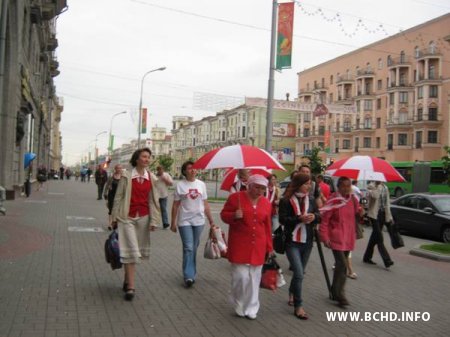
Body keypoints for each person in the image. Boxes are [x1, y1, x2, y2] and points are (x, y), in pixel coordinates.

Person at [220, 174, 274, 320]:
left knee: (254, 278)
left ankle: (252, 307)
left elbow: (268, 226)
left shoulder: (266, 203)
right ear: (249, 186)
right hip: (240, 243)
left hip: (259, 244)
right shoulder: (235, 198)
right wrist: (234, 216)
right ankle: (238, 301)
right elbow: (224, 215)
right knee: (241, 276)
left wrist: (270, 247)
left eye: (262, 188)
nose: (259, 191)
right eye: (256, 187)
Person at [111, 147, 161, 301]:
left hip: (143, 218)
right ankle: (131, 287)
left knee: (134, 252)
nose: (147, 159)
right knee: (132, 251)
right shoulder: (126, 176)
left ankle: (127, 280)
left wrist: (154, 220)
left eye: (148, 157)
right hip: (126, 217)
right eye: (144, 156)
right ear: (137, 159)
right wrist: (114, 217)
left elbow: (154, 200)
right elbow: (118, 198)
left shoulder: (151, 178)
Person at [279, 173, 320, 320]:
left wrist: (314, 217)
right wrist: (299, 218)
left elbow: (319, 215)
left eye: (310, 184)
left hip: (307, 242)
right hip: (292, 242)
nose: (309, 186)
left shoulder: (311, 199)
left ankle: (292, 291)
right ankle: (299, 305)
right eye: (306, 184)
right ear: (298, 184)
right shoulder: (286, 200)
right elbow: (282, 219)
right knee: (299, 274)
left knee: (299, 274)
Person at [319, 176, 363, 307]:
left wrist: (361, 211)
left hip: (348, 237)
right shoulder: (333, 200)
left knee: (339, 266)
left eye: (349, 186)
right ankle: (340, 295)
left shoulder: (352, 199)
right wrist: (324, 237)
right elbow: (325, 220)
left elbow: (357, 212)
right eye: (344, 186)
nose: (347, 188)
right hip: (336, 237)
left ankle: (334, 289)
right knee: (343, 265)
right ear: (338, 187)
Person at [170, 161, 215, 287]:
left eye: (194, 168)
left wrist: (211, 221)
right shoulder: (180, 185)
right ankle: (188, 276)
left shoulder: (201, 184)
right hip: (184, 220)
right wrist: (172, 222)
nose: (193, 170)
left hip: (199, 220)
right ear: (184, 171)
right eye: (190, 168)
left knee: (193, 248)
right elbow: (175, 205)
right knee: (188, 247)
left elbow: (205, 204)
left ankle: (191, 271)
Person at [363, 181, 394, 268]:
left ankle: (366, 257)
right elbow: (375, 196)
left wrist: (389, 217)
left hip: (382, 214)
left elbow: (387, 203)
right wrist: (376, 185)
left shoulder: (385, 187)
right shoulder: (371, 186)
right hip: (374, 214)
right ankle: (387, 260)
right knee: (379, 237)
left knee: (374, 237)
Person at [104, 164, 123, 228]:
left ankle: (115, 222)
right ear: (115, 169)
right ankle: (110, 224)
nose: (119, 169)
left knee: (118, 210)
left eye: (120, 168)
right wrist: (105, 194)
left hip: (120, 196)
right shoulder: (111, 177)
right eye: (118, 168)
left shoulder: (123, 177)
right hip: (111, 195)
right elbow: (106, 186)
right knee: (111, 209)